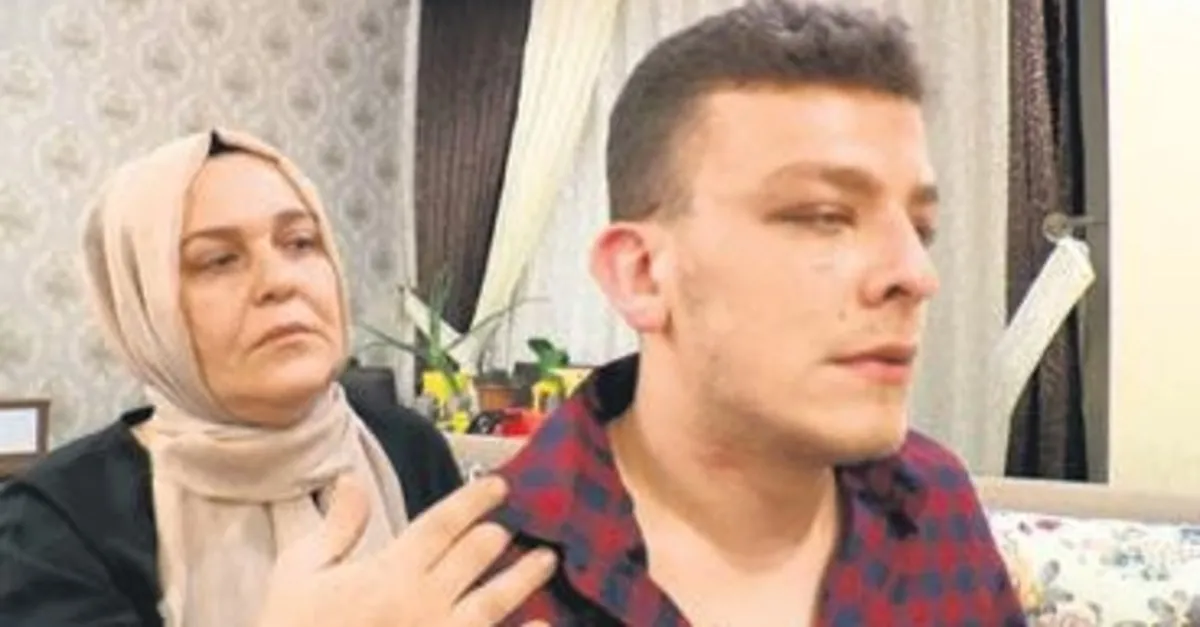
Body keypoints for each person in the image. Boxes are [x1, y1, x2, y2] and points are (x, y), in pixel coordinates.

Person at [484, 2, 1027, 625]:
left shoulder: (936, 507)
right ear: (642, 274)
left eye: (921, 228)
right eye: (825, 217)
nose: (916, 275)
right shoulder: (485, 580)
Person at [0, 129, 556, 626]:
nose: (280, 280)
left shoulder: (407, 445)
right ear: (144, 309)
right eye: (218, 259)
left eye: (300, 243)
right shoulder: (50, 524)